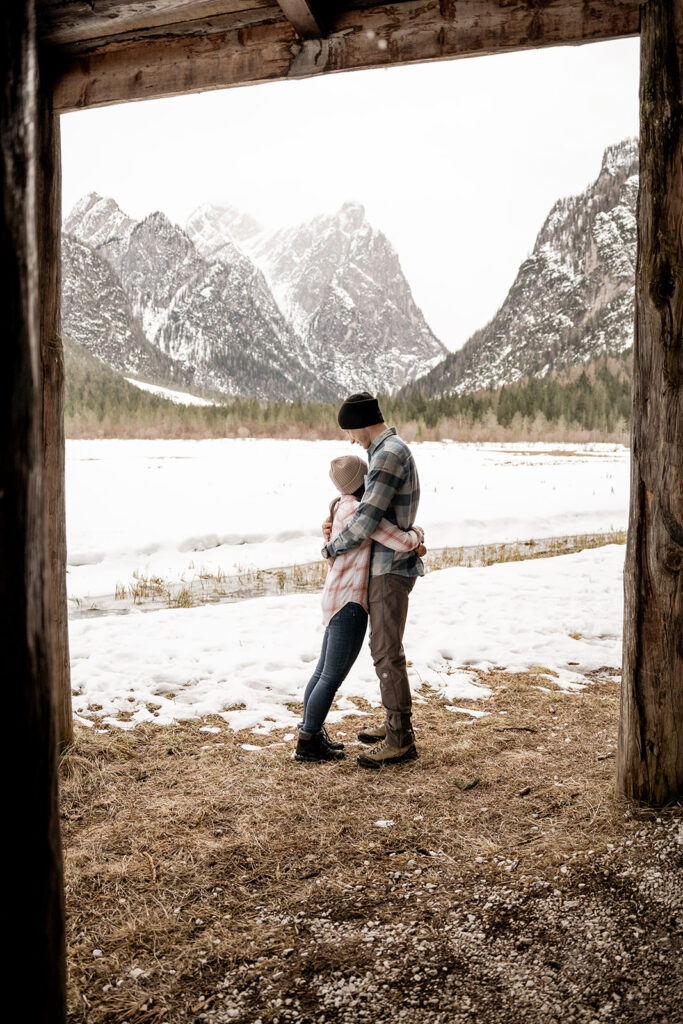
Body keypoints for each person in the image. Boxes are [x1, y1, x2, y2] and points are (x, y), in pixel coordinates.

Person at [295, 454, 424, 763]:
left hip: (335, 598)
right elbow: (398, 540)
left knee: (322, 671)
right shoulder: (358, 511)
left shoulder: (338, 507)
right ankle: (307, 742)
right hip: (351, 602)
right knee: (331, 676)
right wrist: (418, 535)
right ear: (361, 482)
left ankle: (309, 733)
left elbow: (332, 556)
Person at [321, 392, 423, 769]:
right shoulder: (386, 452)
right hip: (388, 562)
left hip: (389, 567)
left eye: (349, 430)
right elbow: (364, 515)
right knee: (385, 650)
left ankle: (400, 739)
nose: (350, 439)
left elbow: (367, 520)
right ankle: (394, 724)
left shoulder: (387, 455)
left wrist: (333, 548)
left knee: (386, 652)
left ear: (363, 422)